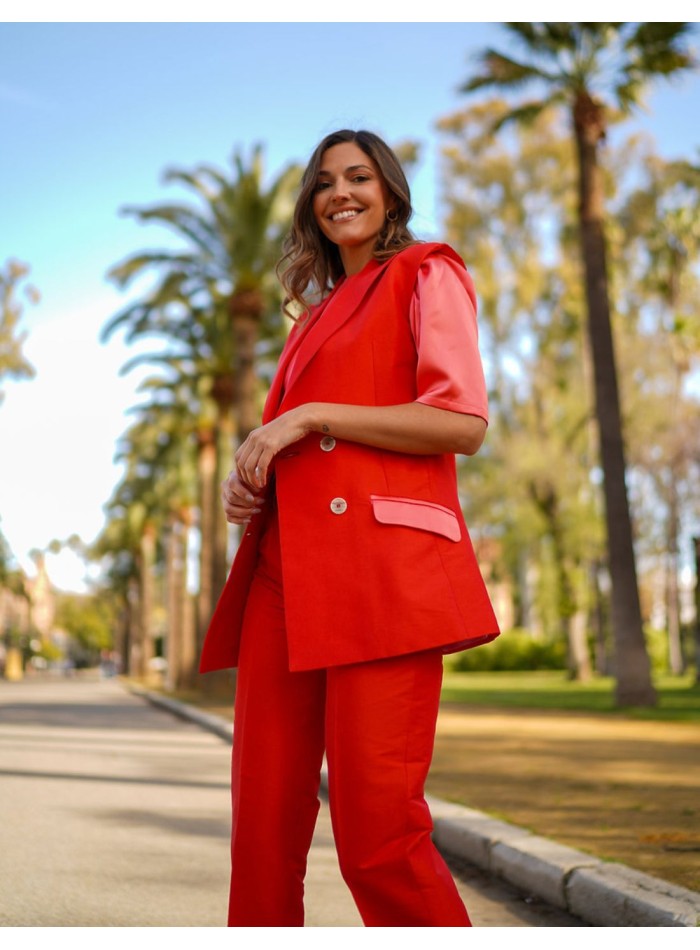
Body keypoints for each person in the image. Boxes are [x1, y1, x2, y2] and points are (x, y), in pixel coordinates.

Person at [200, 129, 500, 927]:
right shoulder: (312, 317)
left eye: (359, 177)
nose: (342, 192)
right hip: (283, 578)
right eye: (325, 181)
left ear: (390, 192)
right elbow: (312, 447)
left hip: (383, 576)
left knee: (378, 833)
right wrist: (255, 484)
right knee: (262, 824)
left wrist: (309, 416)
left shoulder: (426, 273)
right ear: (311, 205)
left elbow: (461, 422)